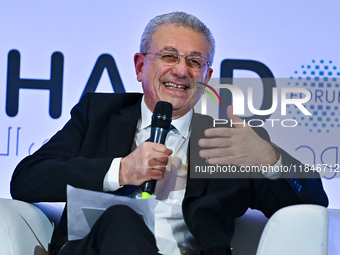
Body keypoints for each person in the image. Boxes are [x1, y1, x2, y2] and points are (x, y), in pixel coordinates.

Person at [10, 12, 328, 255]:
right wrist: (120, 170)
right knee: (121, 218)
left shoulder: (226, 140)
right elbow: (26, 180)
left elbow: (313, 202)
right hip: (99, 247)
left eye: (194, 62)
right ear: (140, 66)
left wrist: (269, 160)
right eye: (169, 55)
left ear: (206, 76)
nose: (181, 70)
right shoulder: (100, 115)